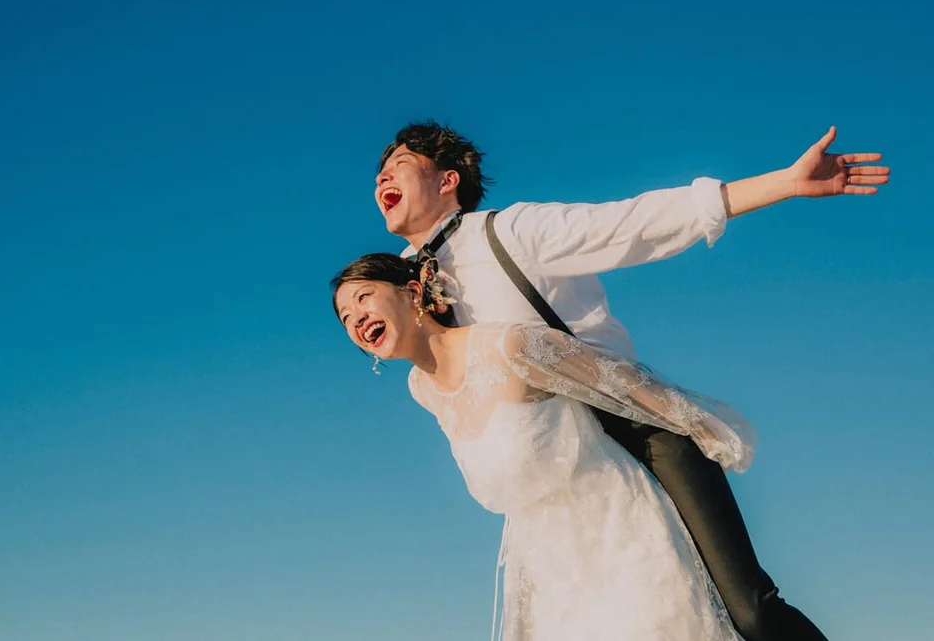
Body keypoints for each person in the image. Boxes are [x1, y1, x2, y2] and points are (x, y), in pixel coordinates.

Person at [371, 120, 890, 640]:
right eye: (377, 175)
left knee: (747, 609)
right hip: (557, 473)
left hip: (634, 425)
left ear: (447, 180)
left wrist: (784, 182)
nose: (381, 180)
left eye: (398, 166)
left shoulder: (509, 232)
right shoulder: (401, 283)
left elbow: (632, 224)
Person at [333, 252, 754, 640]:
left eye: (364, 298)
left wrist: (705, 429)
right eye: (345, 317)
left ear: (411, 292)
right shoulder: (421, 389)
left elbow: (618, 381)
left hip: (617, 533)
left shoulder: (508, 346)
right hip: (547, 565)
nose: (355, 319)